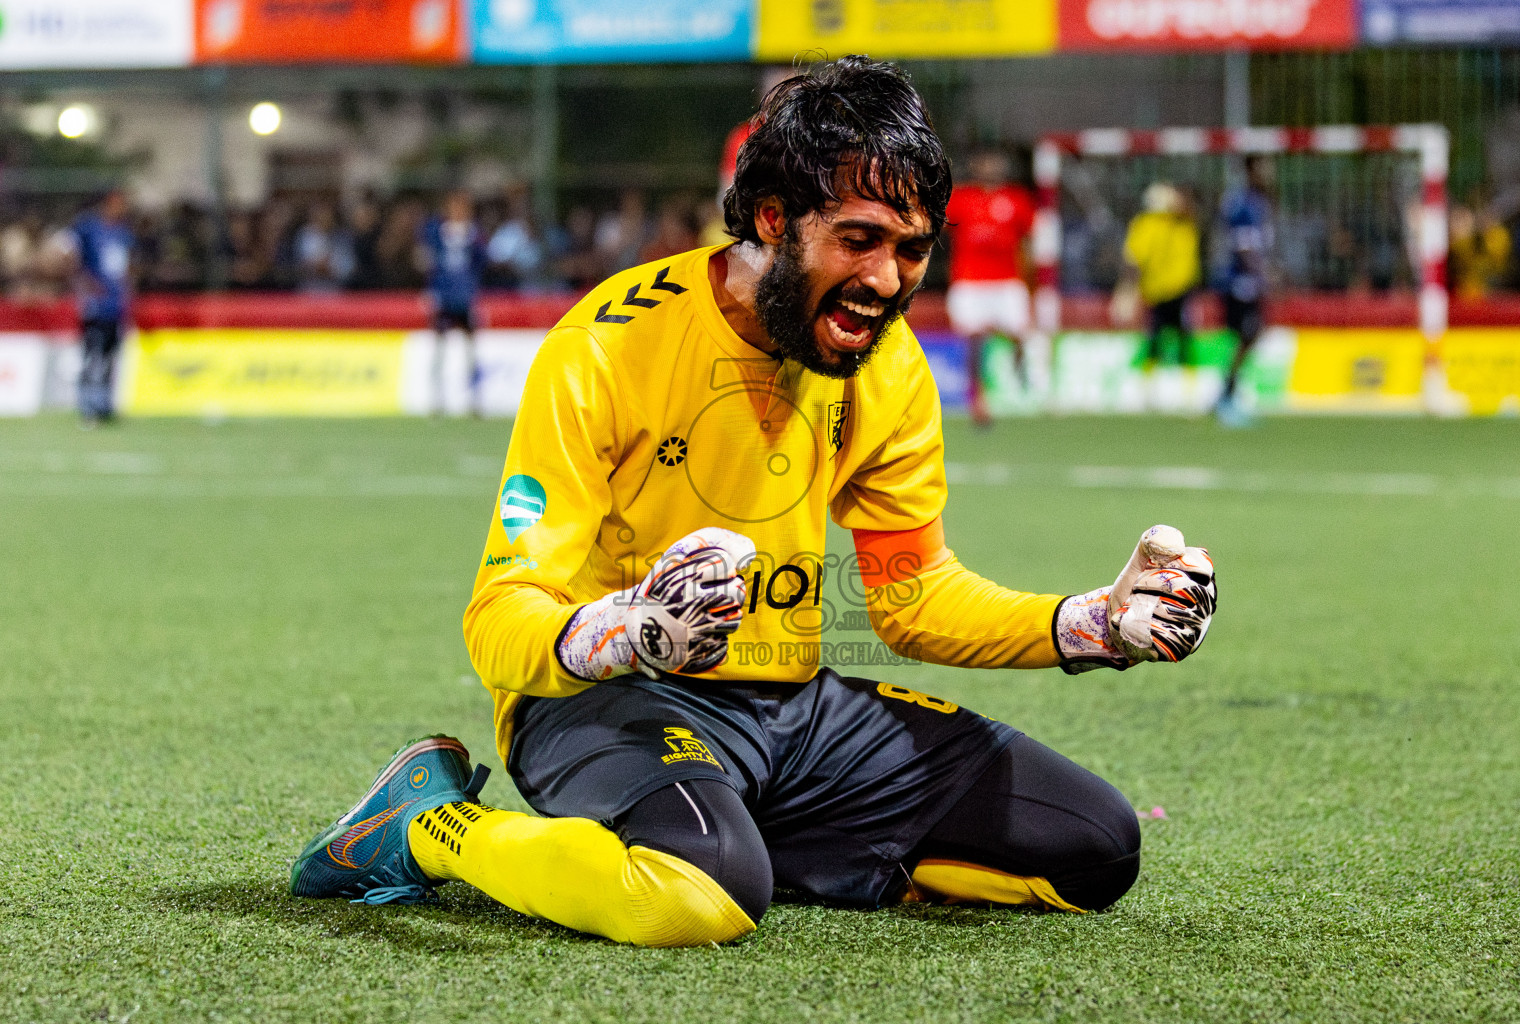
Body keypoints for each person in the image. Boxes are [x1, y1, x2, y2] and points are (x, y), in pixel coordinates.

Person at [289, 56, 1218, 948]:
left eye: (911, 251)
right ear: (771, 219)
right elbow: (499, 616)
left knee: (1094, 846)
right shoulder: (608, 348)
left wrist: (1090, 623)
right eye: (858, 240)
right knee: (701, 896)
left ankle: (749, 836)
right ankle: (430, 828)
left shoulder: (888, 363)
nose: (887, 283)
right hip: (608, 698)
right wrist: (620, 630)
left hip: (791, 708)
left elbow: (913, 598)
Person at [944, 150, 1035, 426]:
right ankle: (978, 398)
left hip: (1007, 280)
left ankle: (1020, 367)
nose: (991, 166)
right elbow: (939, 230)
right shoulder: (961, 198)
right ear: (976, 166)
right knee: (974, 337)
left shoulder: (1017, 199)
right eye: (985, 161)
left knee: (1019, 334)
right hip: (970, 280)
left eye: (995, 161)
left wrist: (1030, 280)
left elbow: (1029, 241)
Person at [1113, 183, 1202, 399]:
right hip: (1158, 292)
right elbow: (1134, 260)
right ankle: (1148, 388)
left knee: (1184, 339)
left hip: (1180, 289)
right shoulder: (1147, 224)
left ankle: (1189, 391)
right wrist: (1127, 290)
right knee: (1156, 339)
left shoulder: (1182, 222)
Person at [1214, 156, 1275, 428]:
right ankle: (1226, 398)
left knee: (1250, 335)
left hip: (1245, 282)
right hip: (1240, 283)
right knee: (1247, 334)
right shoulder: (1244, 204)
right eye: (1264, 168)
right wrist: (1263, 275)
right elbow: (1244, 246)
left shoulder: (1254, 202)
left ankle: (1227, 394)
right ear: (1252, 170)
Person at [65, 189, 135, 425]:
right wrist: (85, 284)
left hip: (116, 304)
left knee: (110, 355)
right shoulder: (87, 228)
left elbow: (126, 266)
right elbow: (71, 256)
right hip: (96, 303)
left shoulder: (123, 233)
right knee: (91, 355)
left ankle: (104, 404)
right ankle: (86, 405)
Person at [418, 190, 488, 415]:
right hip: (444, 296)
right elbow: (430, 264)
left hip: (465, 297)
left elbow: (481, 263)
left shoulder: (474, 235)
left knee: (471, 349)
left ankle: (474, 401)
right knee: (439, 347)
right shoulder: (437, 232)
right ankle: (436, 400)